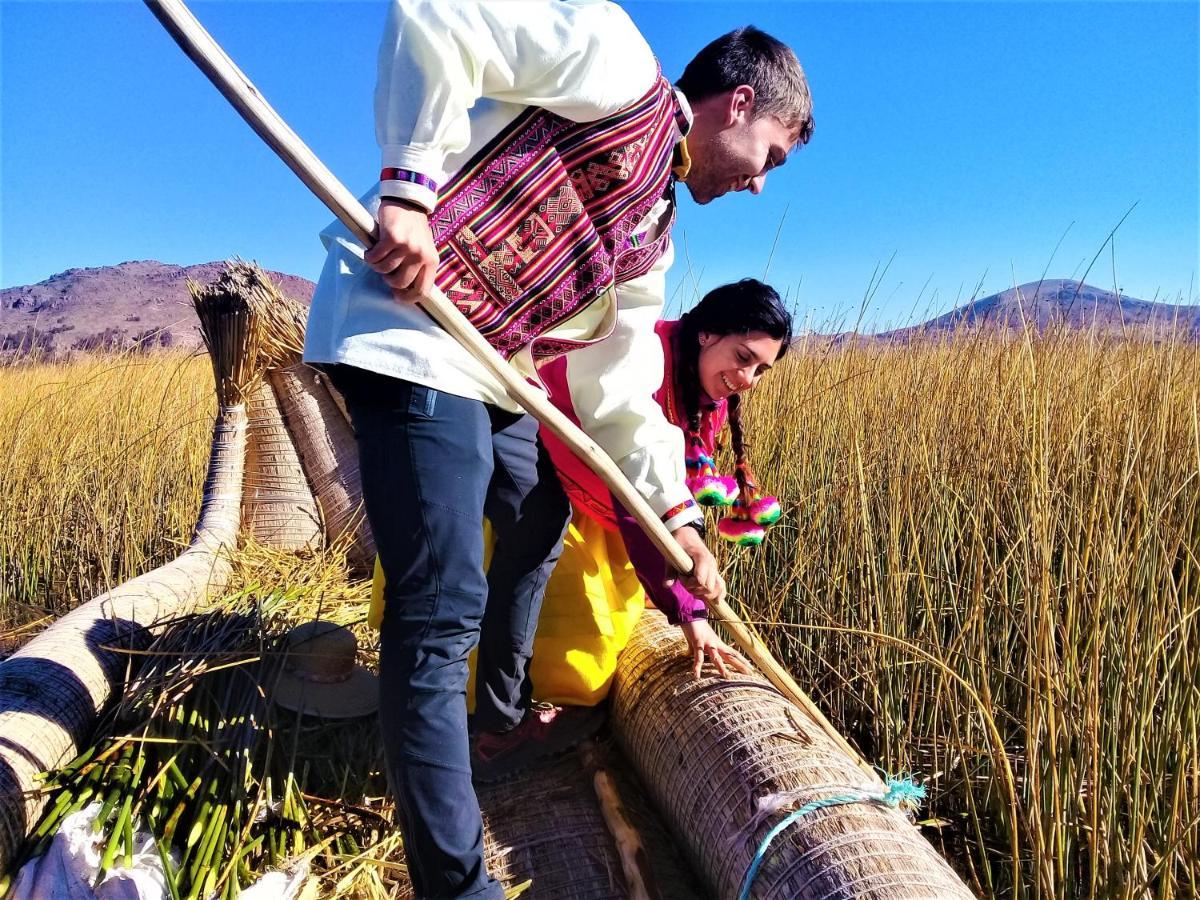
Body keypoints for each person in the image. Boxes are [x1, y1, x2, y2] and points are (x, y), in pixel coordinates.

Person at [302, 2, 814, 896]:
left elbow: (617, 390)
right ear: (738, 103)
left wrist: (680, 524)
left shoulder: (651, 237)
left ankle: (497, 720)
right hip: (413, 331)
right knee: (442, 602)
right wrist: (409, 191)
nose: (763, 185)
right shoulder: (615, 60)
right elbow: (439, 13)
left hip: (493, 369)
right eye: (772, 156)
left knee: (532, 513)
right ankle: (457, 883)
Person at [467, 279, 791, 774]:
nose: (748, 378)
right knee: (578, 630)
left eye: (761, 369)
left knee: (614, 611)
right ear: (707, 334)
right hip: (548, 474)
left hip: (607, 500)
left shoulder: (710, 393)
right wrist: (689, 614)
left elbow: (668, 484)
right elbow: (634, 488)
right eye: (743, 357)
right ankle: (505, 723)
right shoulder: (644, 364)